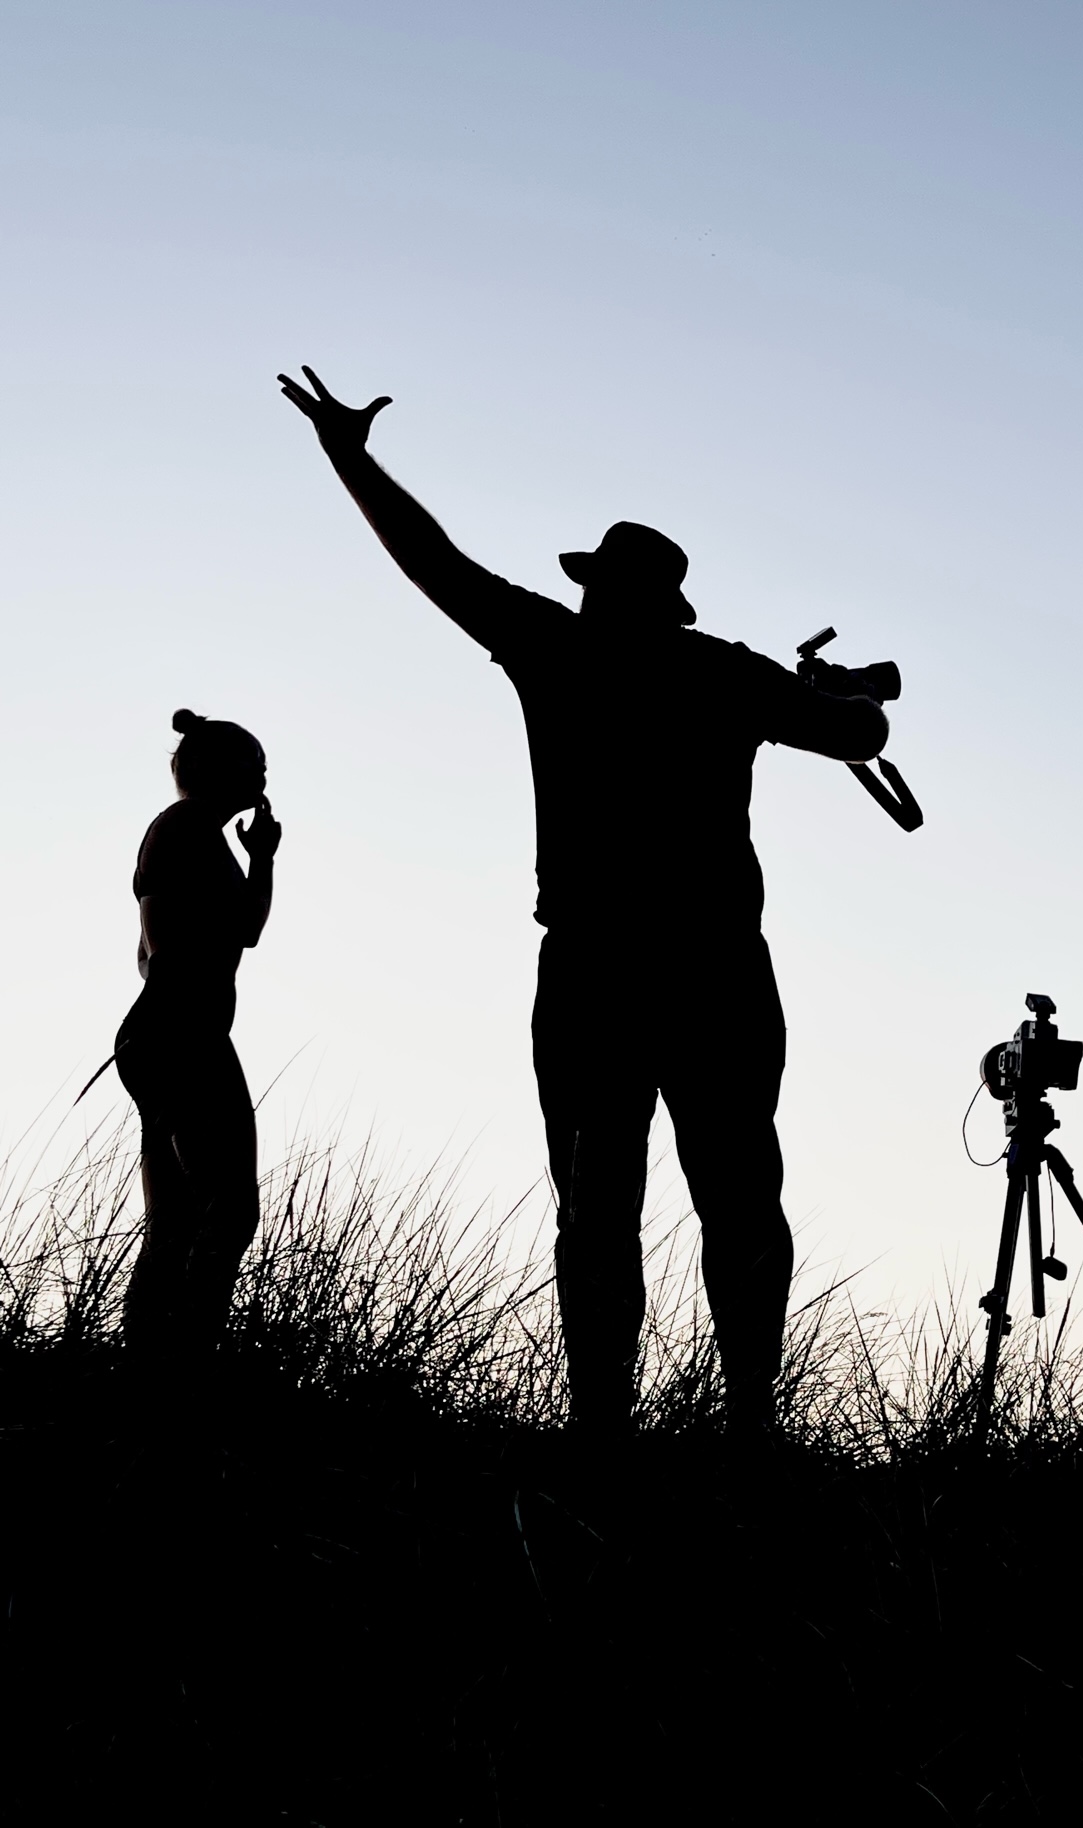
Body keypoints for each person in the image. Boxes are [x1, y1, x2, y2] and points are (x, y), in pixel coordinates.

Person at [278, 365, 890, 1435]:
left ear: (603, 590)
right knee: (739, 1192)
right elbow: (862, 736)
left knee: (600, 1204)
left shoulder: (553, 647)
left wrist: (350, 457)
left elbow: (434, 562)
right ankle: (749, 1422)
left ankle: (603, 1426)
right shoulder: (722, 671)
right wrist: (837, 697)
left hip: (596, 966)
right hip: (715, 968)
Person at [115, 710, 281, 1358]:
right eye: (252, 763)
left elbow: (246, 928)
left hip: (175, 1031)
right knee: (230, 1209)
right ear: (212, 768)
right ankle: (189, 1353)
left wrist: (261, 858)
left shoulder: (204, 838)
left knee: (177, 1222)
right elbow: (164, 931)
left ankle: (153, 1356)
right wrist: (182, 1007)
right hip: (181, 1031)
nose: (264, 775)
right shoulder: (180, 827)